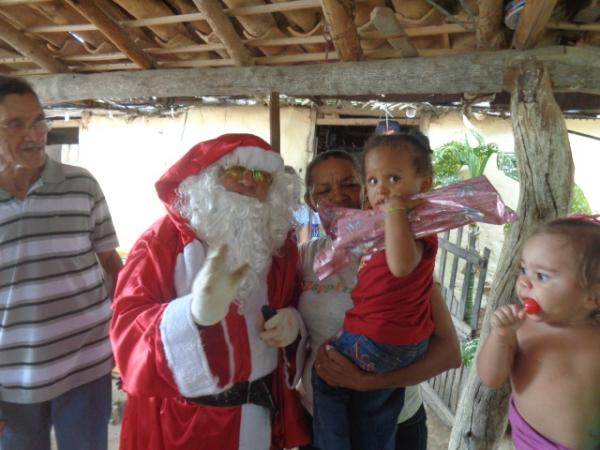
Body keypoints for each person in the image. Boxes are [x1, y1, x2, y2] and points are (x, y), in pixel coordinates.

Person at [110, 133, 311, 450]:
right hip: (181, 422)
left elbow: (297, 305)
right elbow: (126, 330)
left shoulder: (279, 247)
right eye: (234, 171)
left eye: (260, 176)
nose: (247, 181)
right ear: (208, 180)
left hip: (254, 416)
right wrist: (192, 315)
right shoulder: (160, 241)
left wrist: (293, 325)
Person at [298, 148, 461, 450]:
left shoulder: (398, 248)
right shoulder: (306, 258)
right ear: (311, 201)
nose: (338, 196)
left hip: (394, 424)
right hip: (320, 420)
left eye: (349, 184)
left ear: (367, 189)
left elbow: (450, 353)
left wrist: (367, 382)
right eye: (323, 190)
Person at [0, 76, 122, 450]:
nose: (34, 134)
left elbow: (112, 266)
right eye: (16, 124)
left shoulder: (82, 185)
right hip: (11, 380)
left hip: (86, 365)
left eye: (39, 121)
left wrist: (122, 337)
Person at [477, 217, 600, 450]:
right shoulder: (521, 328)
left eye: (541, 276)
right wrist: (501, 336)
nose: (524, 282)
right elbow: (490, 378)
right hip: (529, 442)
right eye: (523, 269)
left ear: (593, 297)